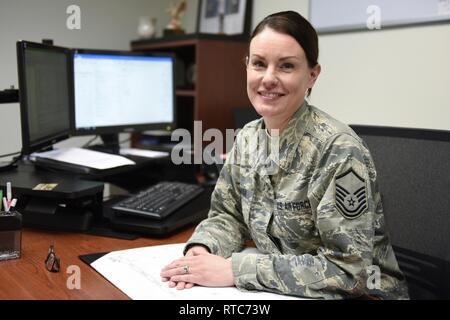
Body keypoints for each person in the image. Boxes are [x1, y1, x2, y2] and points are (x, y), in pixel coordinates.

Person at [160, 11, 409, 299]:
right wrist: (202, 250)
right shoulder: (248, 138)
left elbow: (350, 272)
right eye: (259, 64)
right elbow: (228, 215)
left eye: (286, 66)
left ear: (312, 75)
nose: (268, 78)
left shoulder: (338, 150)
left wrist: (234, 271)